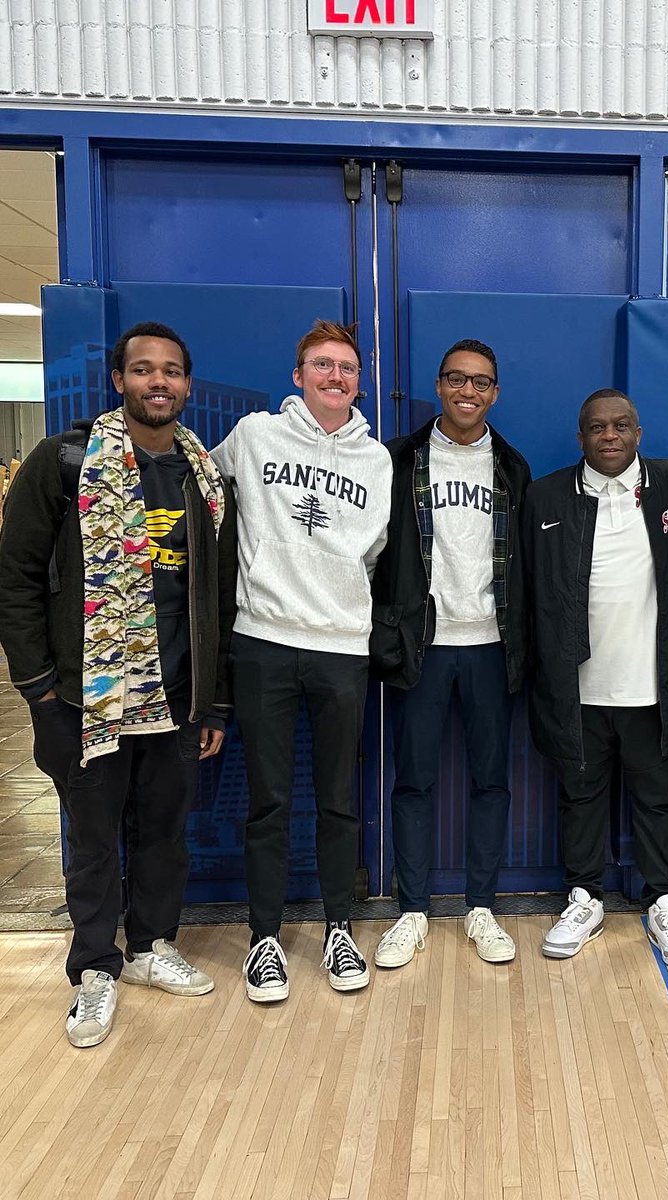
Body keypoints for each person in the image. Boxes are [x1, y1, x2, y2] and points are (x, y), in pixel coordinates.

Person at [0, 321, 234, 1047]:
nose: (157, 382)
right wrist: (40, 690)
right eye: (143, 370)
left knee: (164, 832)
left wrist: (214, 698)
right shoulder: (64, 460)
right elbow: (15, 578)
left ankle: (151, 946)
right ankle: (95, 968)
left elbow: (218, 596)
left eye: (171, 370)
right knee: (96, 838)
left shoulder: (202, 472)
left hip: (174, 695)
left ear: (187, 385)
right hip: (85, 696)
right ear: (119, 381)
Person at [212, 319, 392, 1003]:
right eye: (322, 365)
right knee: (270, 800)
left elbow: (370, 552)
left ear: (358, 381)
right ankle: (265, 937)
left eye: (346, 367)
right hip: (262, 640)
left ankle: (338, 929)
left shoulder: (375, 460)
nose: (335, 377)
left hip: (343, 647)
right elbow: (199, 480)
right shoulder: (256, 436)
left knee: (338, 800)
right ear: (298, 375)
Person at [525, 389, 668, 968]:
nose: (609, 435)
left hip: (653, 685)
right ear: (580, 437)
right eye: (597, 427)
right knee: (582, 797)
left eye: (621, 425)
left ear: (638, 432)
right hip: (577, 686)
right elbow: (526, 594)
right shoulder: (546, 496)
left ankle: (664, 900)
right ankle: (584, 897)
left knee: (658, 800)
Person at [369, 338, 530, 968]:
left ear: (495, 392)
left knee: (492, 781)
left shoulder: (511, 468)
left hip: (491, 644)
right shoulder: (398, 460)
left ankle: (480, 907)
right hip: (423, 647)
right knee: (413, 780)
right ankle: (411, 910)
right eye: (457, 379)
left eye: (481, 382)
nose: (468, 391)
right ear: (439, 386)